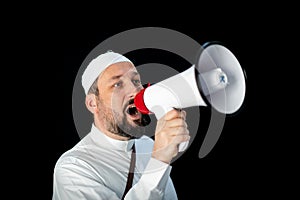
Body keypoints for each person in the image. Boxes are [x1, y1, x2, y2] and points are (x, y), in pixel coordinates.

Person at [52, 51, 190, 199]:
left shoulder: (148, 146)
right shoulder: (73, 168)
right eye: (117, 84)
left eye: (136, 81)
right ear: (93, 104)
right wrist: (159, 160)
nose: (135, 91)